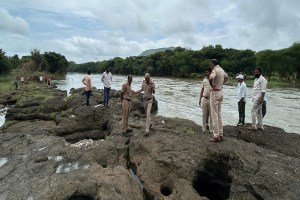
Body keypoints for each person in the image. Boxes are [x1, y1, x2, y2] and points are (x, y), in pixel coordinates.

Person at [209, 59, 228, 142]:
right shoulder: (221, 69)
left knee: (214, 115)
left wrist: (211, 84)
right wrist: (222, 83)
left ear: (213, 64)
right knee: (219, 114)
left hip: (215, 92)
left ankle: (216, 135)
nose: (210, 65)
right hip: (220, 91)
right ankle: (221, 134)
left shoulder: (215, 70)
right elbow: (226, 77)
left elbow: (210, 77)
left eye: (211, 64)